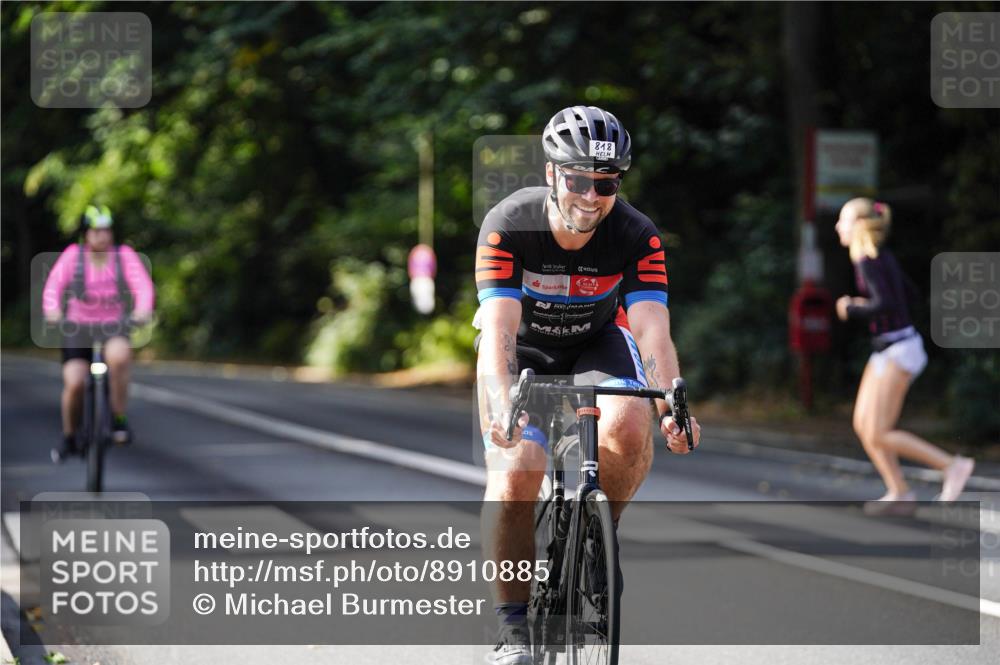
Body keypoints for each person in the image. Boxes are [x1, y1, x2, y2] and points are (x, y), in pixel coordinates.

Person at [474, 106, 701, 664]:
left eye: (607, 183)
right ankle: (512, 628)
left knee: (630, 423)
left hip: (596, 342)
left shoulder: (636, 234)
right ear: (552, 173)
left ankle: (600, 537)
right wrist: (502, 404)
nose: (592, 197)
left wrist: (672, 406)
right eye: (578, 181)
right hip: (523, 349)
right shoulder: (509, 223)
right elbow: (499, 328)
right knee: (516, 469)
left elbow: (651, 330)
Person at [835, 197, 974, 514]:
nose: (838, 226)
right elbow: (907, 294)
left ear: (860, 226)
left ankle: (952, 465)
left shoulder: (867, 261)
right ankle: (899, 492)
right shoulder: (880, 257)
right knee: (863, 425)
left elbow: (885, 303)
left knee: (879, 431)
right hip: (889, 348)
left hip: (899, 350)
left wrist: (852, 307)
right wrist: (872, 304)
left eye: (843, 220)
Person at [42, 204, 155, 462]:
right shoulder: (73, 256)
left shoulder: (124, 256)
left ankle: (118, 419)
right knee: (75, 382)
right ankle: (69, 436)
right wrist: (53, 311)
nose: (102, 236)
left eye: (106, 231)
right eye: (96, 231)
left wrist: (142, 310)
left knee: (119, 357)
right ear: (85, 235)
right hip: (77, 327)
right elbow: (54, 286)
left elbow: (143, 287)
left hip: (113, 326)